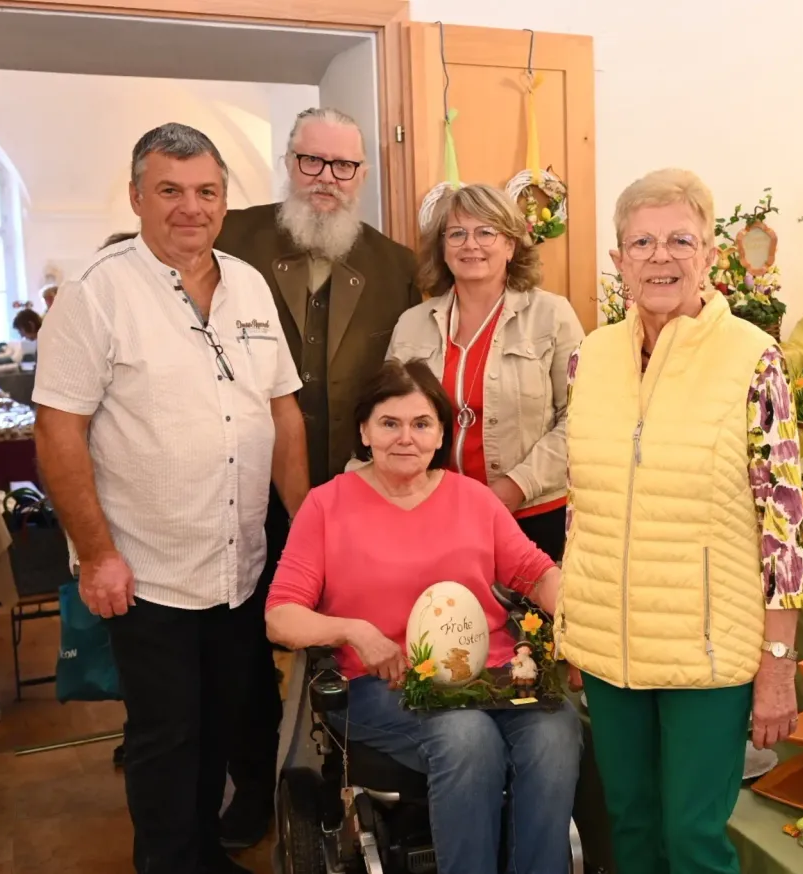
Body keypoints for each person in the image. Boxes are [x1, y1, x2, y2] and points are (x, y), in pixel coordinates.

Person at [32, 122, 310, 874]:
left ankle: (202, 857)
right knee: (166, 739)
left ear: (224, 200)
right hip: (147, 571)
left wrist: (310, 526)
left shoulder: (249, 284)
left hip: (239, 562)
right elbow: (57, 431)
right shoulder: (96, 294)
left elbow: (282, 412)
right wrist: (96, 554)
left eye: (206, 192)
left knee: (221, 725)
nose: (191, 207)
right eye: (170, 191)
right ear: (137, 197)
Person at [556, 168, 803, 874]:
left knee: (693, 841)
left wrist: (778, 664)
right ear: (617, 260)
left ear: (709, 255)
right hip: (612, 648)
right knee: (630, 830)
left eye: (679, 240)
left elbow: (784, 527)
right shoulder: (592, 356)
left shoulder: (753, 360)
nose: (660, 257)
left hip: (709, 650)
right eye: (641, 242)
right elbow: (586, 507)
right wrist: (575, 628)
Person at [265, 359, 581, 874]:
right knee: (466, 736)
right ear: (364, 430)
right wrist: (353, 630)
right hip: (380, 684)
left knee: (556, 729)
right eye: (389, 423)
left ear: (440, 433)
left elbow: (536, 572)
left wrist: (578, 621)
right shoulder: (327, 507)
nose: (405, 438)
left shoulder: (473, 499)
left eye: (421, 423)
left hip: (491, 677)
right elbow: (281, 616)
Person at [214, 106, 422, 847]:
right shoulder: (231, 237)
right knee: (244, 645)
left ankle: (351, 779)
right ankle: (254, 783)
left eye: (343, 166)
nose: (326, 180)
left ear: (363, 174)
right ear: (288, 161)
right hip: (241, 488)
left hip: (355, 495)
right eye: (311, 162)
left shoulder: (398, 264)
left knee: (352, 634)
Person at [388, 183, 582, 561]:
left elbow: (580, 420)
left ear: (510, 245)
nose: (470, 244)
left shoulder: (552, 316)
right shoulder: (412, 324)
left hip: (532, 515)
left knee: (528, 619)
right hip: (435, 515)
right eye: (456, 233)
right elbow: (388, 417)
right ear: (442, 248)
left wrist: (512, 488)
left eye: (486, 232)